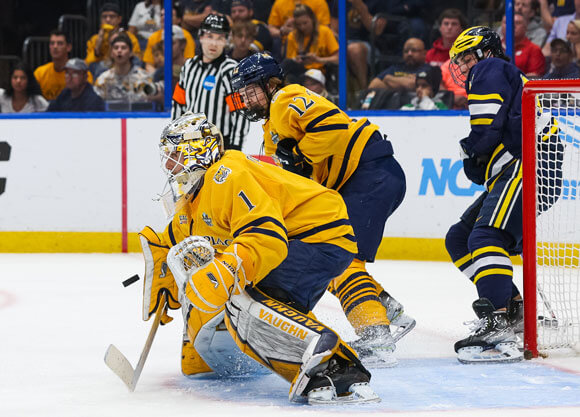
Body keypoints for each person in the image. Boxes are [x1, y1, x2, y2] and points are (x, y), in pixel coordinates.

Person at [140, 111, 380, 404]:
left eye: (174, 154)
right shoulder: (199, 193)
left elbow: (265, 235)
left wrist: (226, 269)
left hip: (316, 233)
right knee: (270, 305)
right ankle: (324, 368)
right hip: (308, 238)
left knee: (244, 299)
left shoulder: (226, 173)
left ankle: (338, 369)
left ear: (197, 152)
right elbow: (180, 234)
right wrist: (164, 262)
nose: (168, 164)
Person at [232, 53, 415, 367]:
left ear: (270, 82)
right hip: (359, 180)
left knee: (345, 262)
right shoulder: (270, 129)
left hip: (368, 173)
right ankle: (387, 310)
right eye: (243, 92)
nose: (246, 97)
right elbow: (293, 179)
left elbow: (333, 125)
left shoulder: (285, 98)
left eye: (251, 89)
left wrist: (300, 152)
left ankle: (376, 334)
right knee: (332, 256)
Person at [445, 26, 532, 364]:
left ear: (487, 53)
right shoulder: (502, 72)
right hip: (517, 168)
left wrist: (472, 150)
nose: (465, 66)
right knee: (460, 237)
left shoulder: (490, 68)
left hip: (525, 165)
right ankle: (511, 308)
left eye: (467, 57)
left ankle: (498, 323)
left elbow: (486, 128)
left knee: (485, 236)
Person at [172, 13, 249, 150]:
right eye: (210, 36)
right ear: (201, 37)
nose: (214, 43)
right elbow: (179, 103)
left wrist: (235, 147)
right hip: (190, 142)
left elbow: (240, 112)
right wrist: (175, 135)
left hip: (220, 145)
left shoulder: (229, 70)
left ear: (226, 41)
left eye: (220, 38)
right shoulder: (189, 66)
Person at [282, 4, 338, 82]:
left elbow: (338, 58)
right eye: (299, 24)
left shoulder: (325, 31)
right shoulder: (292, 36)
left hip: (321, 72)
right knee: (288, 66)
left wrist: (318, 60)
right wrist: (297, 60)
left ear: (312, 19)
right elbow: (289, 62)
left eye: (305, 23)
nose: (302, 27)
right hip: (301, 73)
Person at [94, 33, 155, 103]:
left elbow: (150, 104)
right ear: (111, 53)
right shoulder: (103, 80)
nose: (119, 51)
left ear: (131, 53)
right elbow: (96, 106)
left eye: (123, 48)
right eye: (116, 48)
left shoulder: (144, 78)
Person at [34, 29, 93, 101]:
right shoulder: (39, 73)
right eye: (52, 43)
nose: (55, 47)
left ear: (68, 47)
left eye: (60, 43)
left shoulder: (81, 74)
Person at [142, 3, 196, 73]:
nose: (164, 17)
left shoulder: (185, 36)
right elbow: (149, 65)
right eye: (162, 15)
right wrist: (157, 76)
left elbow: (188, 63)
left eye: (169, 15)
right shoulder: (153, 37)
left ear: (179, 20)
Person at [500, 13, 546, 77]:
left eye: (517, 23)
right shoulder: (493, 48)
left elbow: (534, 77)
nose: (512, 25)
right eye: (506, 22)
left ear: (526, 27)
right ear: (501, 25)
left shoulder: (534, 50)